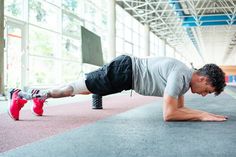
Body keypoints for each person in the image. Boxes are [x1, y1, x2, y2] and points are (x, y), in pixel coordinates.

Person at [8, 55, 227, 121]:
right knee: (71, 89)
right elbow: (170, 114)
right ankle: (23, 95)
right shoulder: (181, 75)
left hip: (126, 77)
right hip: (124, 71)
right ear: (204, 80)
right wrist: (202, 116)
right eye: (207, 91)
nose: (204, 95)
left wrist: (204, 114)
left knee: (83, 90)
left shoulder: (183, 83)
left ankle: (39, 97)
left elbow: (180, 109)